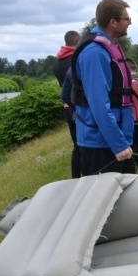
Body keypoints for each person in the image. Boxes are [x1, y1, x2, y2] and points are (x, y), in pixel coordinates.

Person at [69, 0, 135, 176]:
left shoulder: (111, 46)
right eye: (126, 19)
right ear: (113, 22)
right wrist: (119, 144)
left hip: (119, 139)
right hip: (101, 144)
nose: (129, 23)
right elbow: (99, 104)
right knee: (103, 200)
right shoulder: (94, 53)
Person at [54, 30, 81, 178]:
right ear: (77, 42)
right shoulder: (74, 59)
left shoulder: (57, 61)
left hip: (67, 105)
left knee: (76, 146)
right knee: (84, 144)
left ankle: (76, 177)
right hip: (78, 105)